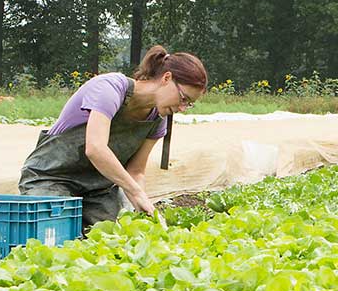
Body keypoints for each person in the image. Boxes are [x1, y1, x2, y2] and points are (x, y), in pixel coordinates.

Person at [19, 46, 207, 227]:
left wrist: (143, 206)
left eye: (189, 104)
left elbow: (136, 171)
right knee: (51, 236)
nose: (182, 108)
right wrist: (135, 192)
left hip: (98, 190)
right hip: (51, 177)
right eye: (184, 98)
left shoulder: (158, 119)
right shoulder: (110, 89)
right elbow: (95, 148)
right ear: (167, 78)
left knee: (108, 242)